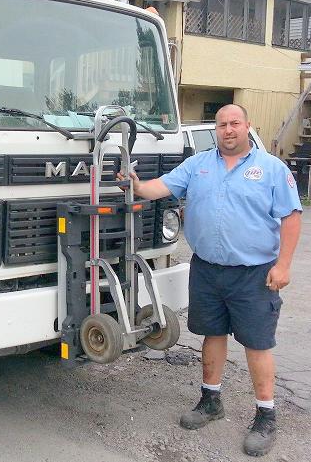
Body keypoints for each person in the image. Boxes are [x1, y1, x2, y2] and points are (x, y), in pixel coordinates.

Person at [120, 104, 302, 457]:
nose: (228, 130)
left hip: (254, 273)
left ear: (248, 126)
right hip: (207, 269)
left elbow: (291, 218)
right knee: (211, 334)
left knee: (257, 342)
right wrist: (138, 185)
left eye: (235, 123)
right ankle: (210, 400)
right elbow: (162, 186)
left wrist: (284, 266)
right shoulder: (198, 165)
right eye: (222, 124)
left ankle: (265, 415)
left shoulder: (271, 169)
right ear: (215, 130)